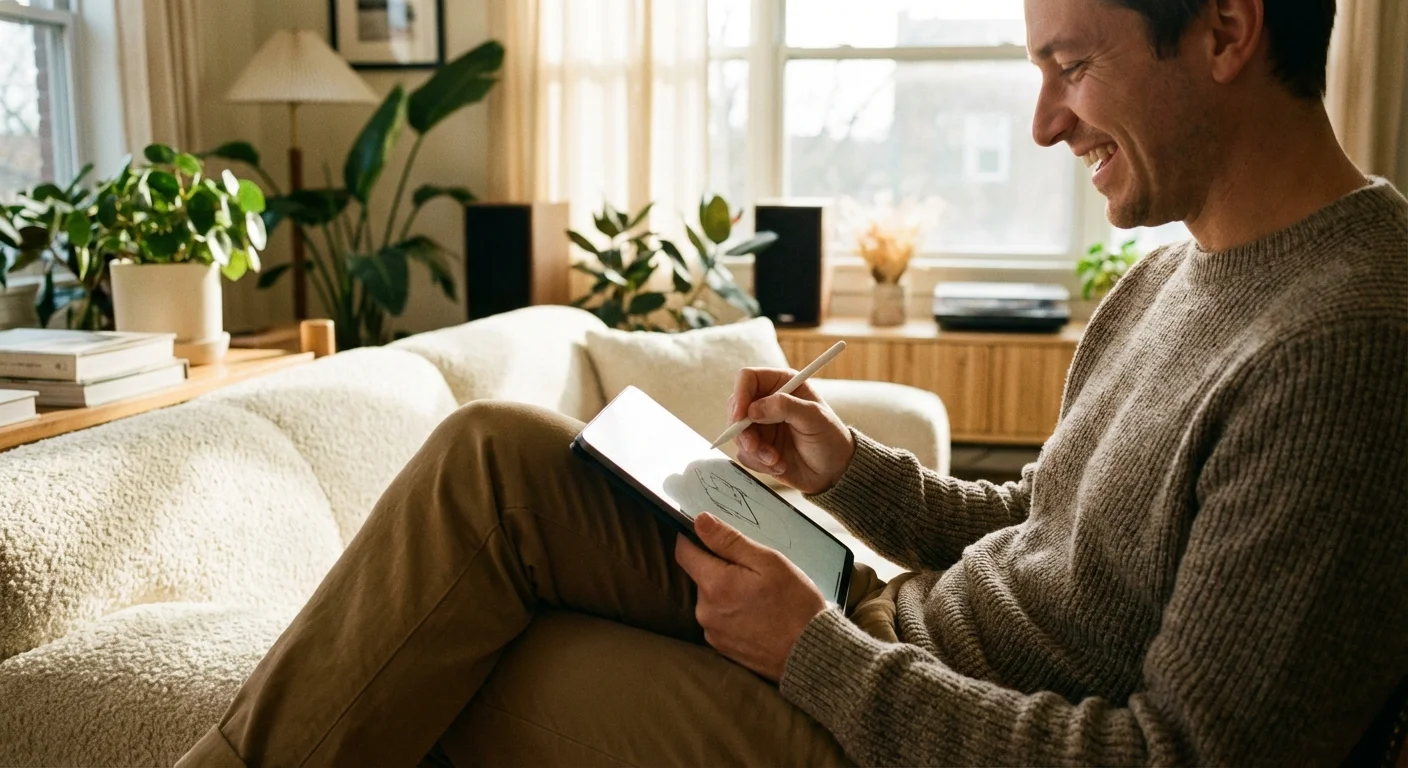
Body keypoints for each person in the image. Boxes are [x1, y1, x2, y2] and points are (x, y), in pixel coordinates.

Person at [179, 0, 1408, 764]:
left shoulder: (1339, 346)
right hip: (884, 625)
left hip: (893, 719)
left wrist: (816, 658)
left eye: (1071, 65)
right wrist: (850, 472)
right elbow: (1053, 527)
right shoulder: (1170, 274)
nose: (1044, 122)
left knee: (488, 666)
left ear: (1227, 30)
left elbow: (1180, 756)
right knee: (494, 452)